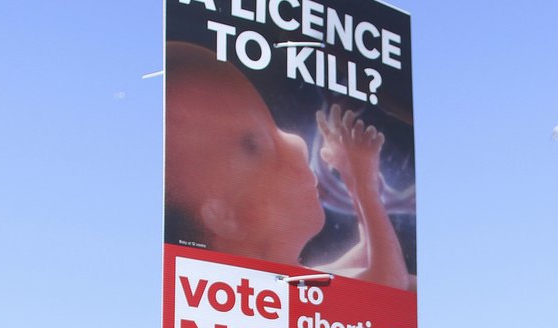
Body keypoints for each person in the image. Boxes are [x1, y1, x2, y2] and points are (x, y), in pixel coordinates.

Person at [164, 41, 413, 290]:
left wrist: (352, 180)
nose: (298, 142)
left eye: (274, 125)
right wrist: (366, 187)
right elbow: (390, 284)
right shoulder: (271, 293)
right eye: (254, 146)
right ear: (225, 216)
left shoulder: (289, 280)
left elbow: (368, 256)